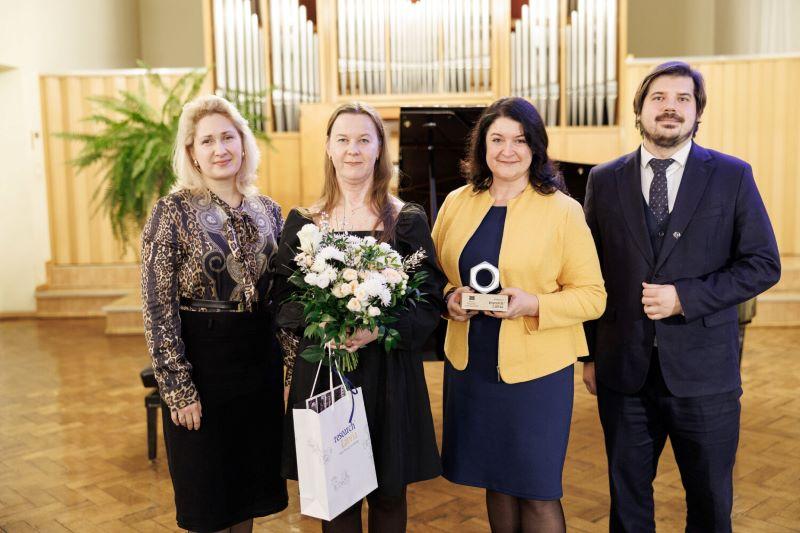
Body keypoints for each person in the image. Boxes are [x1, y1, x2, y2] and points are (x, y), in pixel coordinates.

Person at [582, 61, 781, 533]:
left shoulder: (732, 175)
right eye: (658, 98)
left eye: (682, 99)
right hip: (623, 373)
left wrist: (684, 298)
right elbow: (588, 274)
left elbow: (763, 264)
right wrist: (587, 354)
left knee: (710, 505)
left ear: (697, 112)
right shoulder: (603, 179)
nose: (670, 107)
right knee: (628, 508)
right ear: (639, 110)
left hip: (705, 374)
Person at [432, 97, 606, 533]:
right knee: (497, 482)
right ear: (482, 146)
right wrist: (449, 298)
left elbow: (593, 297)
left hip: (537, 374)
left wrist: (534, 304)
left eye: (520, 140)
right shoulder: (456, 202)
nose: (507, 150)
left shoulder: (563, 210)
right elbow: (429, 276)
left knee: (538, 490)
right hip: (471, 366)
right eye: (497, 139)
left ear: (536, 148)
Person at [273, 102, 445, 533]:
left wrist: (378, 328)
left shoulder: (406, 220)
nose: (353, 149)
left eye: (364, 140)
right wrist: (322, 322)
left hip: (389, 374)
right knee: (338, 499)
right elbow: (279, 299)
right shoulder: (304, 223)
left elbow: (429, 302)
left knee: (389, 497)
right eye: (344, 139)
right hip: (326, 371)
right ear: (329, 148)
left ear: (379, 149)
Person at [141, 95, 287, 533]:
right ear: (192, 152)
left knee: (247, 498)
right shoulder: (171, 212)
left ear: (243, 143)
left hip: (258, 365)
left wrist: (292, 371)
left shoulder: (269, 210)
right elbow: (157, 306)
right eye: (207, 141)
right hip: (202, 363)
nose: (220, 148)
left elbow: (282, 297)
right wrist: (177, 387)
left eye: (228, 137)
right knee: (208, 500)